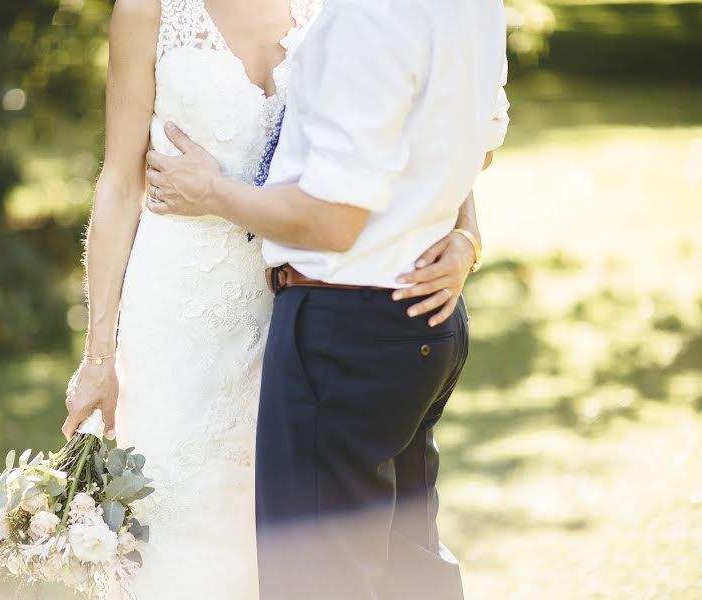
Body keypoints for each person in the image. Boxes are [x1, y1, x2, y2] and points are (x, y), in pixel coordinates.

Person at [62, 0, 489, 598]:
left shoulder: (345, 8)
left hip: (303, 309)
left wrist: (466, 233)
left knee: (302, 541)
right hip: (179, 308)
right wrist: (99, 356)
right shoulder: (147, 10)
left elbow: (432, 127)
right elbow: (117, 183)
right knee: (183, 526)